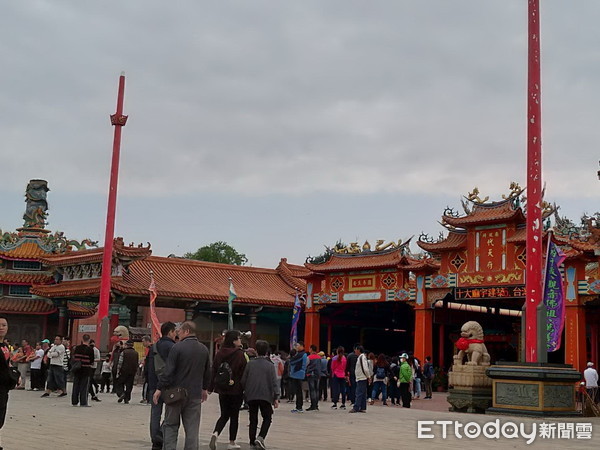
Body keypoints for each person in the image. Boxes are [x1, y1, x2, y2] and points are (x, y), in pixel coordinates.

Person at [154, 321, 210, 450]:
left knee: (171, 425)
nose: (178, 333)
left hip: (176, 394)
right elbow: (207, 371)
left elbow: (168, 371)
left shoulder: (177, 348)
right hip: (195, 394)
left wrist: (159, 388)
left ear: (187, 331)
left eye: (180, 331)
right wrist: (204, 389)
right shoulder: (203, 349)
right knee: (192, 429)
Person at [209, 330, 247, 450]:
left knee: (224, 414)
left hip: (222, 389)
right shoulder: (240, 354)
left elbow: (214, 369)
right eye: (239, 338)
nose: (240, 341)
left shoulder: (220, 353)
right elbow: (243, 373)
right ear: (234, 340)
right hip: (236, 389)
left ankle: (216, 432)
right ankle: (232, 442)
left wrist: (210, 387)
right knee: (234, 416)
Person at [241, 339, 279, 449]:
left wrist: (246, 391)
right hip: (265, 395)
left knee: (253, 419)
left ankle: (252, 441)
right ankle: (261, 437)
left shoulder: (250, 364)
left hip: (251, 395)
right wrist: (276, 397)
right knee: (267, 417)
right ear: (267, 351)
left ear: (256, 351)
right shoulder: (270, 366)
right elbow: (274, 382)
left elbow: (243, 380)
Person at [147, 322, 177, 450]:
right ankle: (161, 434)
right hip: (169, 385)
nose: (175, 334)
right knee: (171, 414)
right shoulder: (173, 347)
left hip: (154, 384)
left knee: (155, 414)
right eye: (174, 331)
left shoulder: (154, 347)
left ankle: (155, 441)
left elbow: (148, 368)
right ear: (170, 332)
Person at [0, 316, 16, 448]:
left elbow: (8, 364)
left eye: (4, 325)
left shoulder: (5, 346)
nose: (1, 327)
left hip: (3, 387)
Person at [71, 334, 95, 407]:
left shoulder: (77, 348)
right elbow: (91, 360)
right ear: (89, 340)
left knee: (76, 386)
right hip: (86, 370)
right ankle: (83, 402)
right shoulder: (90, 349)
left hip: (77, 369)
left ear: (82, 339)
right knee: (84, 387)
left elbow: (74, 357)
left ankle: (74, 401)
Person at [349, 345, 371, 413]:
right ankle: (362, 407)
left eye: (355, 349)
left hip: (361, 377)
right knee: (363, 393)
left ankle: (356, 407)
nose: (355, 351)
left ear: (358, 350)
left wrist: (368, 376)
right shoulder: (361, 357)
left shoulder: (362, 357)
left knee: (359, 393)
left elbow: (365, 368)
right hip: (361, 377)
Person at [117, 340, 139, 404]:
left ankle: (122, 393)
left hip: (123, 371)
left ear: (126, 345)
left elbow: (120, 362)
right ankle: (127, 398)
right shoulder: (136, 353)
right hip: (132, 371)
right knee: (129, 385)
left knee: (120, 383)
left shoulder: (124, 352)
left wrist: (118, 371)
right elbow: (136, 363)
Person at [288, 342, 308, 413]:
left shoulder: (301, 355)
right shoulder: (301, 354)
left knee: (298, 391)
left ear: (302, 346)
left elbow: (292, 361)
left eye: (297, 345)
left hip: (298, 374)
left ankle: (299, 407)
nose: (296, 347)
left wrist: (291, 358)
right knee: (298, 391)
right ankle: (298, 407)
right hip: (298, 374)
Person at [305, 345, 321, 411]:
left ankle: (313, 405)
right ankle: (316, 405)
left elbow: (305, 365)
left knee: (312, 390)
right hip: (317, 375)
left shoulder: (309, 357)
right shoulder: (319, 357)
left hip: (310, 374)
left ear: (311, 349)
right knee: (317, 390)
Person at [140, 335, 152, 404]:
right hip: (148, 369)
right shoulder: (149, 348)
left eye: (143, 341)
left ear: (147, 341)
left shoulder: (150, 349)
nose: (142, 343)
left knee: (147, 384)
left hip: (148, 370)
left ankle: (146, 398)